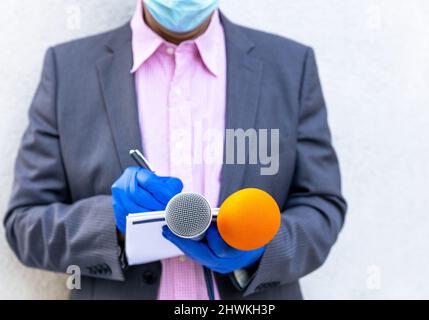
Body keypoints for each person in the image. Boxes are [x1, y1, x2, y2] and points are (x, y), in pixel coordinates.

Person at [4, 0, 347, 300]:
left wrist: (263, 249)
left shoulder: (290, 66)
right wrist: (114, 226)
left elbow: (322, 206)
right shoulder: (68, 70)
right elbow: (25, 225)